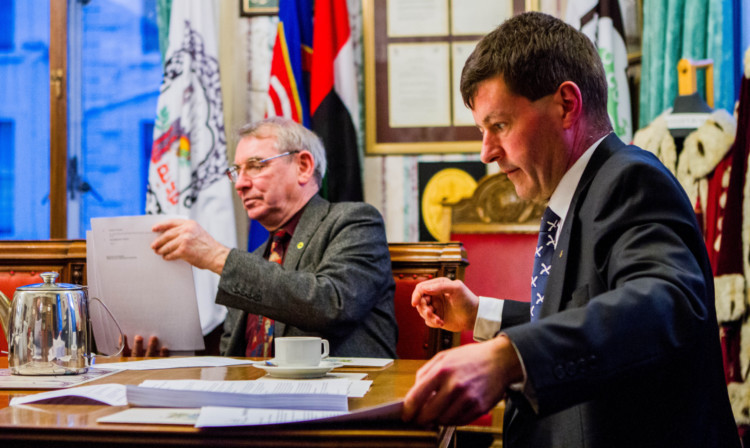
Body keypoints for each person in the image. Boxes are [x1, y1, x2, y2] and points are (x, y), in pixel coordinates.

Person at [402, 12, 739, 448]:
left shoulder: (630, 181)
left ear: (566, 105)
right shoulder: (580, 192)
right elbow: (588, 309)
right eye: (482, 131)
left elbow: (664, 303)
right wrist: (481, 314)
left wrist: (510, 357)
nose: (486, 152)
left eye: (499, 125)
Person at [150, 117, 398, 359]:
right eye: (236, 171)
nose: (240, 184)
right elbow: (230, 360)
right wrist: (163, 355)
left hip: (341, 395)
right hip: (251, 397)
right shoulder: (255, 259)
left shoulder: (354, 222)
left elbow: (330, 304)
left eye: (256, 165)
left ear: (303, 167)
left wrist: (217, 257)